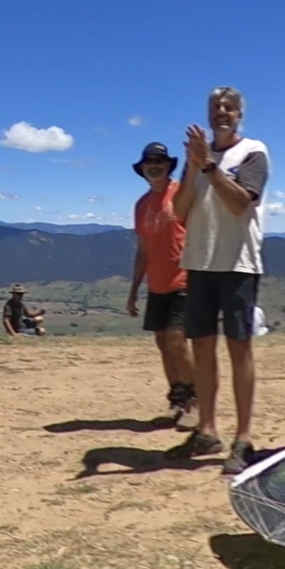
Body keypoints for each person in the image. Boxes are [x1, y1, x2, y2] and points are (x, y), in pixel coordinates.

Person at [175, 86, 269, 471]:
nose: (222, 112)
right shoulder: (197, 158)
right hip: (199, 261)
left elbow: (239, 203)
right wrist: (194, 166)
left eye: (229, 107)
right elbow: (179, 209)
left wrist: (208, 166)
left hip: (238, 264)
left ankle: (243, 438)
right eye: (215, 106)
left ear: (240, 114)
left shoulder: (253, 152)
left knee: (239, 348)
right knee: (201, 348)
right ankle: (207, 429)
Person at [124, 141, 194, 424]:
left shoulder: (181, 194)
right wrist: (133, 291)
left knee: (177, 340)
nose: (154, 166)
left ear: (168, 165)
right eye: (149, 161)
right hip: (157, 284)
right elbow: (143, 251)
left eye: (159, 161)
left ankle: (195, 400)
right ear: (142, 168)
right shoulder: (141, 205)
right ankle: (177, 399)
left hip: (184, 279)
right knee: (163, 342)